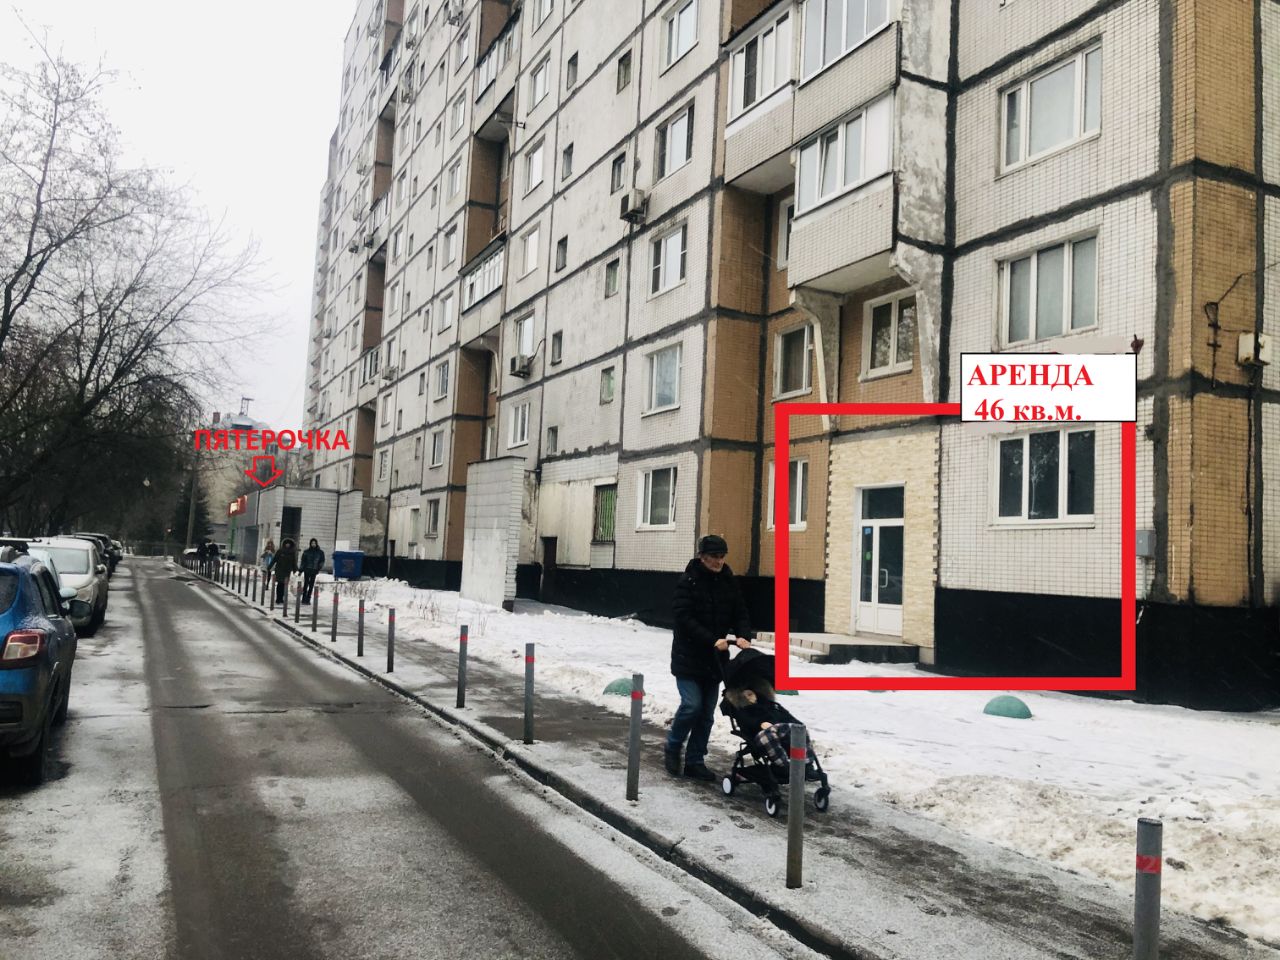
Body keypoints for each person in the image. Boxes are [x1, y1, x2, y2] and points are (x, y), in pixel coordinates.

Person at [666, 534, 754, 781]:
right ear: (702, 557)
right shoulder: (689, 582)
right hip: (688, 657)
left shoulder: (727, 582)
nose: (719, 561)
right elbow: (684, 618)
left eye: (722, 556)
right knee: (691, 706)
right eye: (714, 556)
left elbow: (740, 611)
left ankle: (695, 761)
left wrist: (743, 635)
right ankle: (673, 746)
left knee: (706, 714)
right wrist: (711, 639)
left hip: (715, 661)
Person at [272, 538, 298, 604]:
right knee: (279, 584)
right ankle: (278, 598)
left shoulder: (292, 553)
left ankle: (281, 598)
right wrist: (269, 567)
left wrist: (295, 570)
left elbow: (294, 562)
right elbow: (274, 559)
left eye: (289, 544)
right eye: (286, 543)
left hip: (287, 571)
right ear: (284, 544)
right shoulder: (280, 551)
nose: (287, 545)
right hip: (279, 570)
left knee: (284, 585)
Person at [300, 538, 325, 604]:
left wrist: (318, 568)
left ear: (316, 544)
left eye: (314, 543)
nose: (313, 544)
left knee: (311, 585)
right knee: (306, 584)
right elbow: (303, 561)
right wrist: (301, 570)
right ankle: (304, 598)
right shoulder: (306, 552)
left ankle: (308, 598)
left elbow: (322, 561)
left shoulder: (320, 552)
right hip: (307, 569)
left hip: (314, 570)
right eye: (312, 543)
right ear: (310, 544)